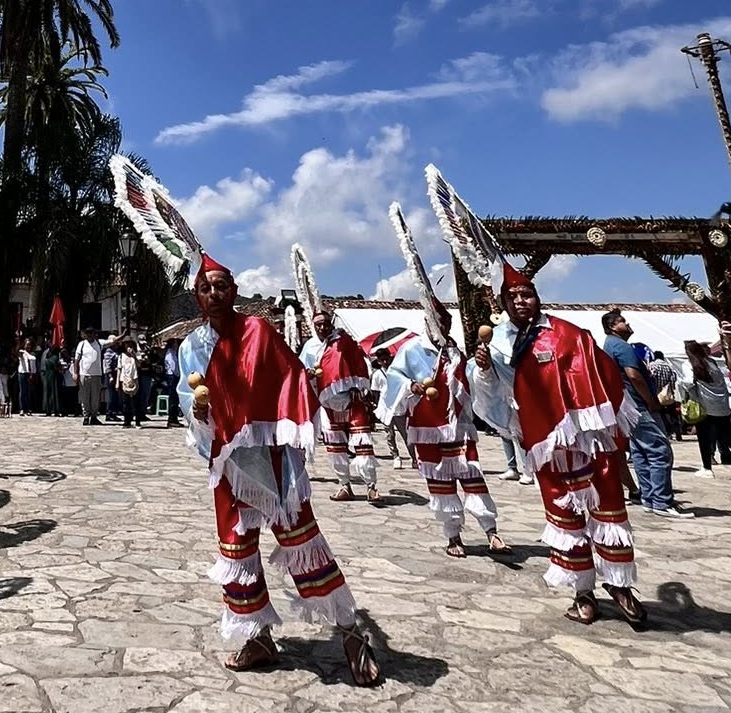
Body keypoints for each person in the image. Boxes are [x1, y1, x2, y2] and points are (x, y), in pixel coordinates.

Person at [177, 256, 379, 682]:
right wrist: (199, 410)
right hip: (230, 464)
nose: (214, 295)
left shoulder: (258, 331)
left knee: (302, 544)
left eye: (221, 286)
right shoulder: (191, 347)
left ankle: (349, 631)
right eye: (205, 288)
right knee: (238, 551)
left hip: (272, 457)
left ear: (234, 290)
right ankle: (259, 637)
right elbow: (189, 400)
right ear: (196, 296)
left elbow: (291, 380)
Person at [476, 270, 646, 630]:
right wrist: (484, 369)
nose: (521, 302)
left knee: (608, 510)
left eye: (527, 295)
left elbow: (598, 374)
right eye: (514, 297)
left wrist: (585, 420)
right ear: (503, 304)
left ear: (537, 298)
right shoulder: (501, 344)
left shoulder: (567, 333)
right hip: (547, 444)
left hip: (586, 440)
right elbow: (499, 394)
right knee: (565, 518)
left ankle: (620, 586)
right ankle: (583, 592)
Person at [374, 326, 505, 558]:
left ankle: (491, 531)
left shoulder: (454, 351)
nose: (441, 327)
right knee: (441, 483)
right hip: (427, 428)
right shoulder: (412, 349)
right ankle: (453, 536)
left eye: (445, 322)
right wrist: (410, 386)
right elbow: (395, 377)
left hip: (458, 425)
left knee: (472, 476)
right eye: (437, 322)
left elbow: (469, 380)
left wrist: (482, 366)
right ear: (428, 323)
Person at [601, 310, 686, 518]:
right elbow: (634, 375)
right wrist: (651, 401)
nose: (627, 324)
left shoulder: (609, 345)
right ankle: (661, 501)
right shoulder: (622, 346)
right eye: (622, 321)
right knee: (659, 451)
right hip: (639, 405)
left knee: (640, 452)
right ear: (613, 326)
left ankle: (649, 496)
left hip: (626, 407)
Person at [311, 318, 378, 504]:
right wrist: (308, 375)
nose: (322, 327)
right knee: (336, 449)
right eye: (318, 324)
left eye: (325, 323)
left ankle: (371, 487)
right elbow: (300, 372)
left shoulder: (344, 342)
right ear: (313, 326)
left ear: (331, 324)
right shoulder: (310, 348)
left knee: (363, 445)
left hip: (352, 400)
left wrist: (359, 385)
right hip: (327, 404)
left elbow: (360, 362)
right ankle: (344, 486)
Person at [683, 339, 731, 478]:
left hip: (704, 406)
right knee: (730, 440)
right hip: (721, 407)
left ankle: (707, 468)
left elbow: (687, 382)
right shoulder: (712, 363)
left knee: (704, 439)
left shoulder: (690, 364)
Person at [74, 328, 104, 424]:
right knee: (85, 397)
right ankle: (86, 416)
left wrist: (123, 335)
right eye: (87, 333)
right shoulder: (82, 344)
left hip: (97, 374)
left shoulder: (99, 343)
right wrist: (75, 373)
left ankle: (94, 416)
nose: (89, 335)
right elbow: (76, 360)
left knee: (95, 398)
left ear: (94, 334)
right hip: (84, 374)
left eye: (91, 333)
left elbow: (112, 341)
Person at [118, 342, 142, 426]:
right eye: (127, 345)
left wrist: (134, 355)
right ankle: (127, 420)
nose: (128, 347)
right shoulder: (121, 356)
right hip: (124, 380)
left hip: (134, 379)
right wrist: (117, 382)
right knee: (125, 401)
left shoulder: (136, 354)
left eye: (130, 346)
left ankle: (138, 421)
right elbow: (119, 369)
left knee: (136, 401)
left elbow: (139, 365)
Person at [15, 337, 38, 413]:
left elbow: (32, 361)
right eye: (27, 344)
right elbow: (18, 353)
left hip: (29, 373)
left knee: (29, 391)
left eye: (29, 345)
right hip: (22, 373)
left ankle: (28, 408)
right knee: (22, 391)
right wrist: (18, 343)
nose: (28, 346)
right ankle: (22, 408)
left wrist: (32, 374)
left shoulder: (32, 354)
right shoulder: (22, 352)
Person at [40, 340, 61, 416]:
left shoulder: (55, 356)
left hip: (52, 375)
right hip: (47, 375)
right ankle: (48, 409)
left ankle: (53, 409)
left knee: (53, 393)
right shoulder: (46, 354)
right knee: (48, 393)